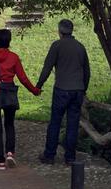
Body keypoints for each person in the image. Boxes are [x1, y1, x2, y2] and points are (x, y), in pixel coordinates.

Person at [0, 28, 41, 170]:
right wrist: (34, 91)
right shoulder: (13, 57)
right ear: (9, 41)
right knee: (9, 124)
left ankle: (0, 161)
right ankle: (10, 153)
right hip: (8, 94)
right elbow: (23, 78)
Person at [37, 18, 90, 166]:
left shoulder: (57, 46)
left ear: (59, 31)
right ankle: (70, 157)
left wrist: (39, 85)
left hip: (62, 89)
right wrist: (83, 88)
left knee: (55, 122)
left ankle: (49, 155)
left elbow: (47, 68)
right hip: (77, 90)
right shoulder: (80, 47)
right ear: (72, 30)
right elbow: (87, 71)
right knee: (72, 124)